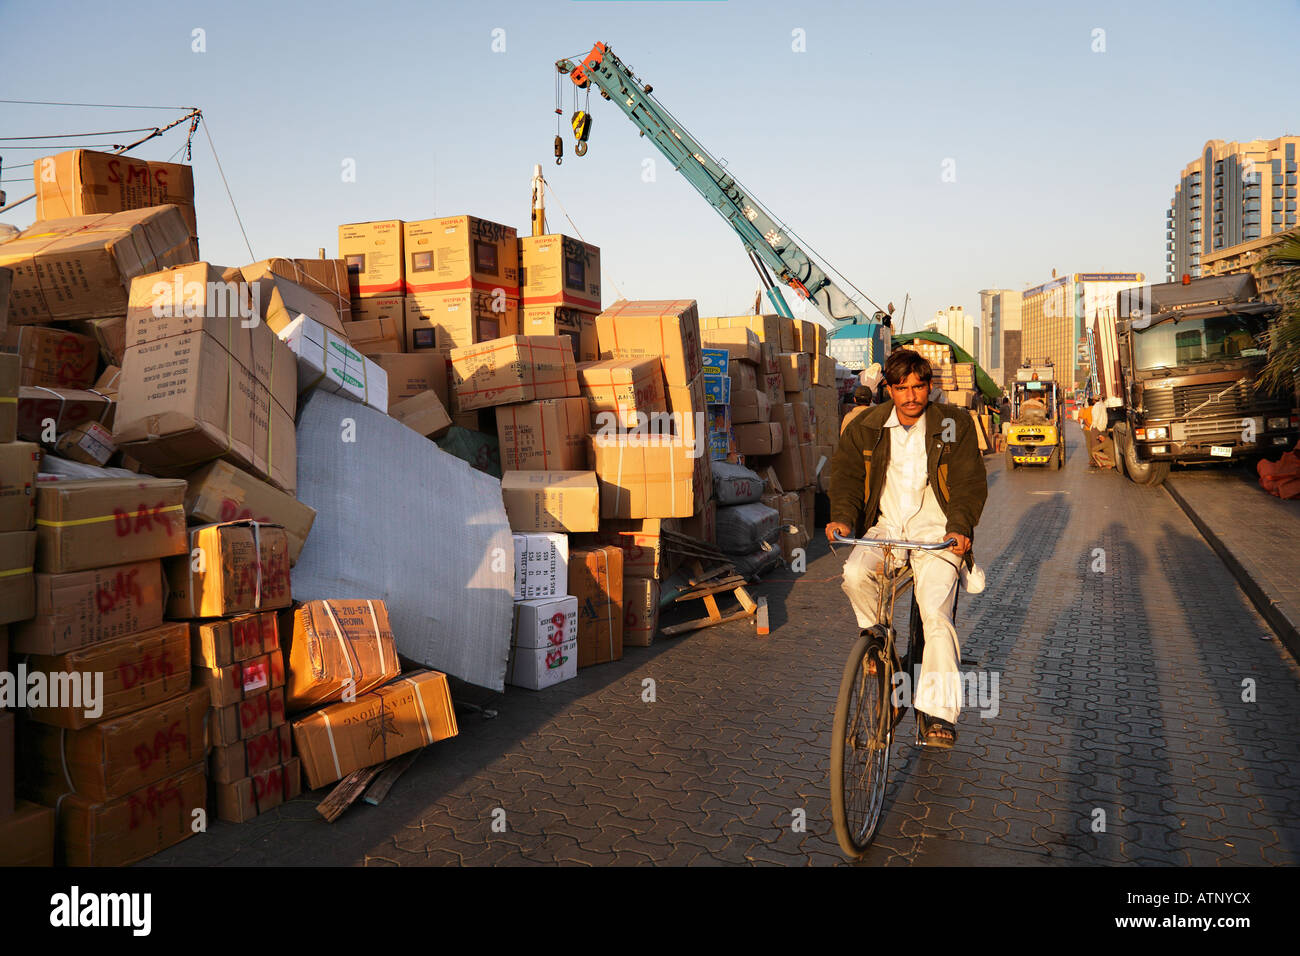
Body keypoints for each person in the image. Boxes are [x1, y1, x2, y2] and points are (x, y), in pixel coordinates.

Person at [825, 349, 989, 748]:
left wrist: (960, 527)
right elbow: (846, 477)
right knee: (853, 574)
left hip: (938, 534)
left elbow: (969, 480)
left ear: (929, 387)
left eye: (918, 387)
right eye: (902, 388)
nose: (911, 395)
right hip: (886, 529)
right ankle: (880, 652)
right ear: (890, 390)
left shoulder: (955, 423)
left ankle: (937, 713)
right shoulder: (865, 426)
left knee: (935, 614)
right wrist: (843, 518)